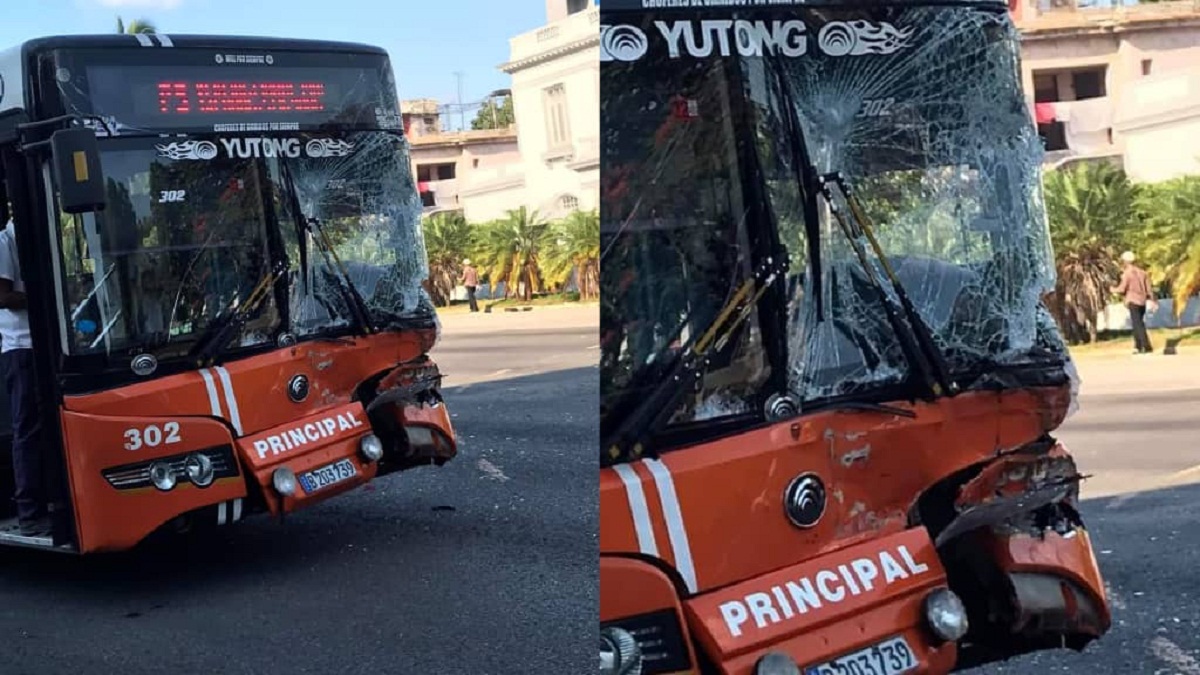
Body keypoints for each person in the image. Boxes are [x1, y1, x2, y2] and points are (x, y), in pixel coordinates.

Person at [0, 219, 50, 536]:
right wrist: (47, 296)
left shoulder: (35, 238)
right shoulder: (4, 241)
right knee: (27, 429)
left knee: (42, 427)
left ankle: (47, 500)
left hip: (41, 344)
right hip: (20, 347)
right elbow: (3, 297)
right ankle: (29, 511)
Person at [1113, 250, 1155, 355]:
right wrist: (1153, 300)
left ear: (1125, 261)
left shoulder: (1127, 274)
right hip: (1142, 301)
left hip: (1133, 300)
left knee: (1137, 324)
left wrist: (1112, 289)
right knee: (1138, 323)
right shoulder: (1143, 273)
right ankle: (1138, 346)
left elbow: (1122, 289)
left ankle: (1146, 346)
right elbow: (1149, 289)